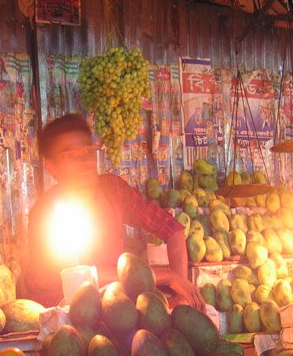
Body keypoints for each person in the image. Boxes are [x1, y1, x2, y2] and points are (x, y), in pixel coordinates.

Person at [23, 114, 204, 310]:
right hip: (67, 316)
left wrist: (180, 287)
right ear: (52, 166)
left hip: (118, 309)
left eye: (87, 151)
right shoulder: (46, 215)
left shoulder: (113, 190)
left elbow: (171, 228)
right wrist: (166, 276)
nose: (84, 161)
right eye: (71, 156)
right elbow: (80, 273)